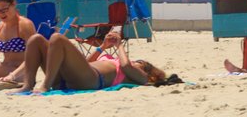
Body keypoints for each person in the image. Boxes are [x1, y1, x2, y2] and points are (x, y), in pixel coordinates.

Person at [13, 30, 166, 94]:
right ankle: (28, 85)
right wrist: (103, 46)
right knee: (36, 39)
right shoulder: (113, 60)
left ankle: (45, 85)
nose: (135, 61)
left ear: (145, 69)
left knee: (57, 38)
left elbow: (126, 65)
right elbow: (86, 62)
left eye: (139, 61)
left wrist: (119, 45)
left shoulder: (140, 77)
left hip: (92, 80)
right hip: (72, 77)